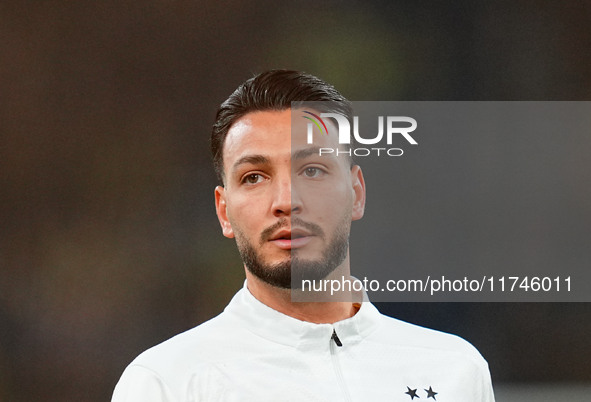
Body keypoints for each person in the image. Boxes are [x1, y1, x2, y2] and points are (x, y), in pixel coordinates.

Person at [112, 70, 495, 401]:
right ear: (224, 212)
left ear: (356, 193)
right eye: (254, 177)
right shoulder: (167, 383)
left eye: (312, 170)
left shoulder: (455, 369)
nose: (285, 201)